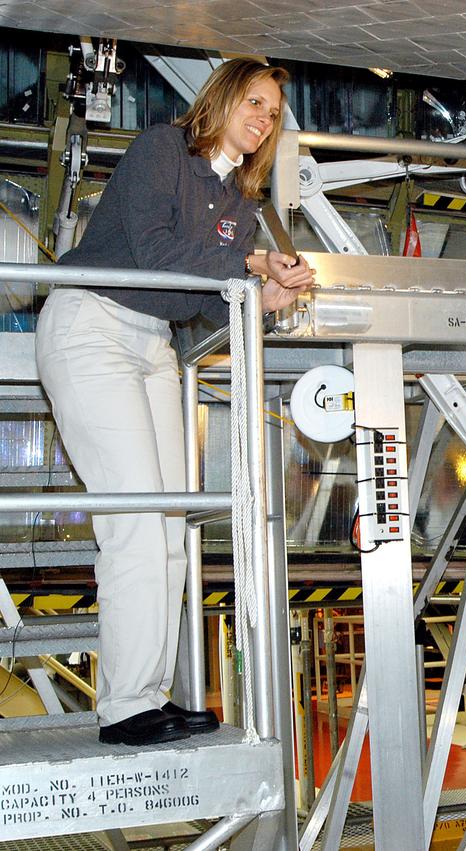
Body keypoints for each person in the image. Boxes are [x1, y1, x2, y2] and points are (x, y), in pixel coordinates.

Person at [36, 59, 315, 746]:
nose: (264, 118)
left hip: (152, 340)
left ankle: (145, 695)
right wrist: (250, 267)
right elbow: (156, 254)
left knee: (167, 529)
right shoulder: (162, 148)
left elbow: (200, 308)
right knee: (134, 517)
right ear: (220, 98)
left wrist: (266, 298)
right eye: (255, 101)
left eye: (274, 113)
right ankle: (125, 705)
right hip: (91, 323)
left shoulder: (241, 205)